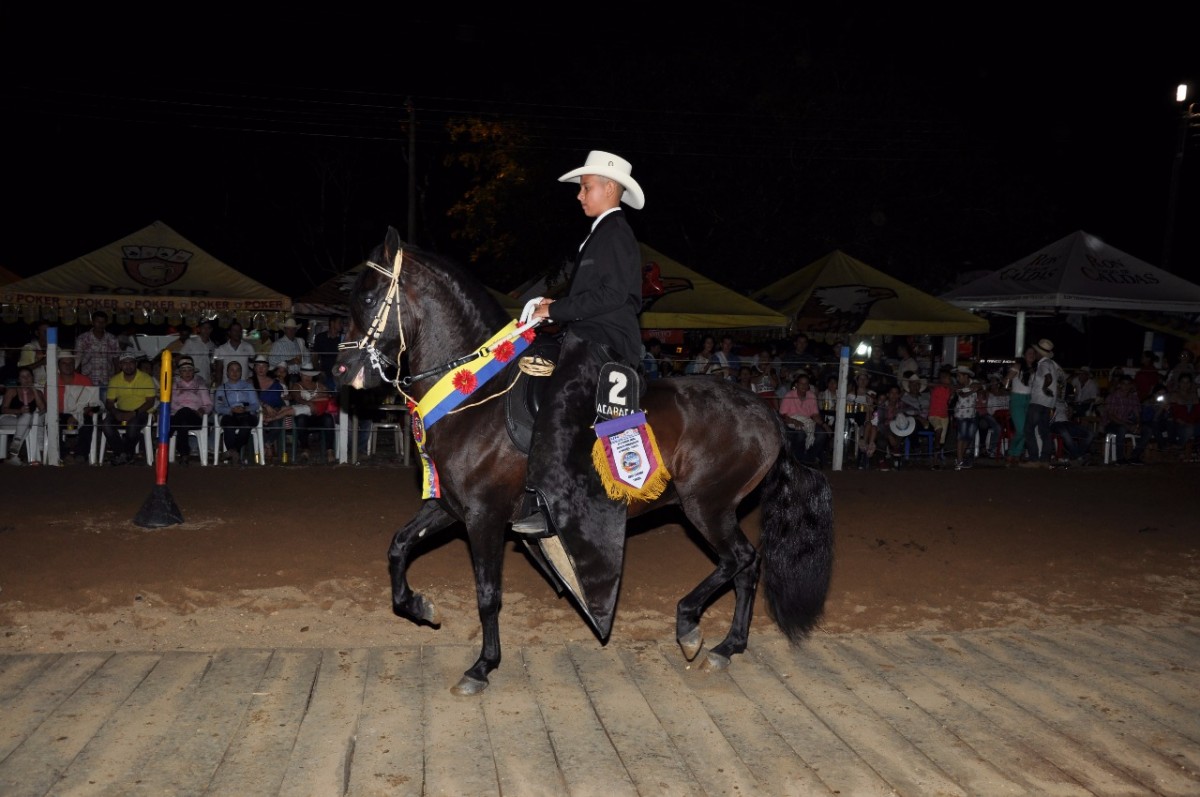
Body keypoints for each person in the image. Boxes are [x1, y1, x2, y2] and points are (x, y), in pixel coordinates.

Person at [511, 144, 646, 627]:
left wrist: (557, 310)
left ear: (609, 188)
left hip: (604, 341)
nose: (580, 195)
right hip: (586, 333)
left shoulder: (616, 233)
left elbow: (613, 296)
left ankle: (547, 504)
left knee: (559, 403)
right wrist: (554, 307)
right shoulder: (600, 235)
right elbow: (593, 294)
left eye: (585, 187)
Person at [101, 351, 157, 466]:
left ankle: (123, 454)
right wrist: (116, 413)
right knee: (106, 424)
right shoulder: (115, 380)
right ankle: (123, 454)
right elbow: (109, 402)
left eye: (131, 362)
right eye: (124, 363)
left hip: (141, 411)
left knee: (133, 426)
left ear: (136, 364)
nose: (128, 366)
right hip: (121, 410)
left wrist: (134, 413)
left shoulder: (145, 378)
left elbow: (150, 402)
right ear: (120, 365)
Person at [54, 350, 100, 464]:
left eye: (70, 363)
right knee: (52, 423)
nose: (68, 365)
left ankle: (81, 454)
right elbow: (49, 404)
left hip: (82, 412)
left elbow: (93, 403)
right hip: (60, 413)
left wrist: (76, 414)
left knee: (87, 423)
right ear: (58, 365)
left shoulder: (85, 380)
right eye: (64, 363)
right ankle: (63, 454)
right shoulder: (52, 381)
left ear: (74, 364)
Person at [1022, 338, 1062, 468]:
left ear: (1039, 352)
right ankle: (1045, 459)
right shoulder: (1051, 364)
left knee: (1028, 429)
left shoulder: (1043, 364)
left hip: (1038, 401)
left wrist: (1044, 388)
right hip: (1048, 403)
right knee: (1044, 431)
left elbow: (1048, 378)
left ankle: (1034, 459)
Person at [213, 360, 260, 465]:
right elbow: (218, 407)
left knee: (246, 425)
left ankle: (232, 451)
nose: (235, 373)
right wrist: (231, 409)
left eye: (238, 370)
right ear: (227, 373)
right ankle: (234, 453)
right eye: (232, 370)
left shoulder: (248, 386)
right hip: (230, 413)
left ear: (241, 372)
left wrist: (246, 409)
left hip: (247, 413)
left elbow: (256, 404)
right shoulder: (221, 389)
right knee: (228, 425)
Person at [169, 356, 213, 465]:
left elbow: (209, 404)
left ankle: (167, 434)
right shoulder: (174, 386)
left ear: (193, 371)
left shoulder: (201, 386)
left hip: (195, 417)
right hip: (178, 417)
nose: (187, 373)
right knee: (183, 420)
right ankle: (184, 454)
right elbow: (171, 404)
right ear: (180, 373)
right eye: (184, 370)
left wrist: (202, 410)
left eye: (190, 370)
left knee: (184, 414)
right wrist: (184, 410)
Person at [778, 372, 829, 466]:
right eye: (801, 383)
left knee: (822, 434)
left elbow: (815, 415)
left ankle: (809, 458)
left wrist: (824, 425)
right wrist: (793, 421)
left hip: (807, 422)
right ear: (796, 385)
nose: (803, 386)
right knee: (801, 434)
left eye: (806, 384)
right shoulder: (789, 395)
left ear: (808, 385)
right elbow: (782, 415)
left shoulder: (811, 396)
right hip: (791, 422)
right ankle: (798, 460)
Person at [290, 363, 337, 464]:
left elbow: (329, 395)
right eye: (305, 375)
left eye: (310, 375)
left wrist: (318, 398)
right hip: (304, 414)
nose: (308, 377)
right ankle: (305, 449)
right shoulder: (296, 385)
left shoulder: (319, 385)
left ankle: (330, 450)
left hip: (318, 414)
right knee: (301, 419)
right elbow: (297, 397)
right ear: (301, 375)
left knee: (328, 418)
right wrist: (309, 403)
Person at [251, 353, 294, 463]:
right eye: (258, 366)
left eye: (263, 366)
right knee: (259, 422)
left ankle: (266, 444)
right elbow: (250, 399)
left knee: (277, 425)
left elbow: (279, 402)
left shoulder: (275, 384)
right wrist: (265, 407)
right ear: (254, 368)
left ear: (267, 368)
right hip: (255, 412)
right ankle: (267, 448)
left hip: (272, 413)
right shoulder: (249, 382)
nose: (261, 368)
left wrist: (275, 411)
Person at [2, 365, 47, 464]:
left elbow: (43, 410)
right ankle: (14, 453)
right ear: (19, 379)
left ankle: (13, 455)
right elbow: (3, 409)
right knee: (27, 419)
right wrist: (19, 411)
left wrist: (34, 390)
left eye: (28, 376)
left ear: (32, 377)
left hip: (26, 422)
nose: (26, 379)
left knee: (27, 417)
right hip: (9, 419)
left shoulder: (38, 393)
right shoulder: (12, 390)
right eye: (23, 376)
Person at [1101, 373, 1149, 465]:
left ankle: (1134, 456)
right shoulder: (1112, 397)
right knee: (1122, 429)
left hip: (1126, 423)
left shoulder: (1133, 398)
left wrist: (1138, 425)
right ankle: (1120, 458)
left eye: (1128, 384)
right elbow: (1111, 416)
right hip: (1110, 424)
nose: (1126, 386)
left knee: (1147, 430)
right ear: (1119, 385)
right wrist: (1127, 425)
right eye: (1124, 384)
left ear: (1131, 385)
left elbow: (1137, 414)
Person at [1004, 346, 1037, 465]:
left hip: (1029, 399)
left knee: (1026, 430)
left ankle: (1017, 454)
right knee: (1021, 429)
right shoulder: (1018, 366)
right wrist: (1007, 381)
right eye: (1029, 353)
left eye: (1033, 353)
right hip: (1017, 399)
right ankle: (1011, 452)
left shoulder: (1035, 369)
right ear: (1024, 355)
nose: (1031, 355)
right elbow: (1006, 381)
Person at [1049, 395, 1096, 467]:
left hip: (1067, 422)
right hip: (1055, 423)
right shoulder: (1050, 399)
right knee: (1065, 433)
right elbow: (1048, 416)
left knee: (1090, 434)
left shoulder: (1063, 401)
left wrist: (1070, 412)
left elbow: (1069, 413)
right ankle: (1079, 457)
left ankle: (1078, 456)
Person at [950, 366, 982, 470]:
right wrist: (973, 390)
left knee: (969, 437)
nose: (957, 378)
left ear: (966, 376)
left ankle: (960, 458)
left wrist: (975, 387)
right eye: (957, 376)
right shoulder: (958, 386)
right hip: (961, 415)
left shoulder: (974, 382)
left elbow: (980, 385)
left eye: (959, 376)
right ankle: (959, 460)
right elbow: (963, 395)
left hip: (972, 414)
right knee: (961, 437)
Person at [1166, 372, 1200, 461]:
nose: (1185, 384)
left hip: (1192, 422)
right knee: (1189, 429)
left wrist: (1191, 422)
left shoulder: (1193, 395)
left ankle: (1193, 449)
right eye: (1183, 382)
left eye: (1187, 382)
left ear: (1190, 384)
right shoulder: (1174, 395)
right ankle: (1179, 446)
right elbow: (1173, 413)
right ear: (1179, 383)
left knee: (1192, 428)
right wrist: (1184, 421)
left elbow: (1197, 412)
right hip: (1178, 423)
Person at [269, 317, 309, 385]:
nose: (291, 331)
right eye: (288, 329)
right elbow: (271, 361)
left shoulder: (300, 342)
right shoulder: (278, 344)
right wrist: (289, 362)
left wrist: (302, 361)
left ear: (296, 330)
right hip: (284, 377)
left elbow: (307, 357)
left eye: (293, 329)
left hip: (299, 376)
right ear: (284, 330)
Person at [180, 319, 217, 385]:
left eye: (208, 328)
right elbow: (181, 358)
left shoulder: (212, 345)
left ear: (211, 330)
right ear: (199, 329)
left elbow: (212, 364)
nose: (206, 330)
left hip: (206, 379)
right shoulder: (190, 342)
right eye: (203, 328)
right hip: (191, 379)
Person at [313, 316, 345, 387]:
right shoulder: (321, 337)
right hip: (323, 375)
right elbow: (315, 356)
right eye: (340, 322)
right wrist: (318, 372)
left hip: (338, 375)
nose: (342, 325)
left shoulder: (343, 339)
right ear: (332, 323)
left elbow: (346, 359)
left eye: (342, 323)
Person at [16, 321, 49, 386]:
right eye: (45, 331)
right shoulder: (29, 348)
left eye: (50, 332)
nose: (48, 334)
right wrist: (41, 362)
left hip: (53, 386)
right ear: (37, 333)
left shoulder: (57, 349)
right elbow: (21, 370)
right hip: (34, 387)